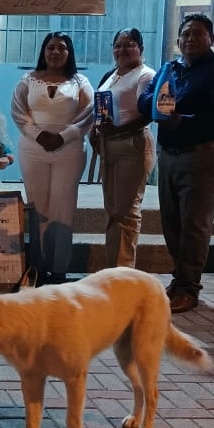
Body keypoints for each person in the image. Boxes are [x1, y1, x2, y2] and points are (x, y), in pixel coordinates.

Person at [137, 13, 214, 313]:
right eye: (185, 34)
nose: (190, 39)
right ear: (178, 40)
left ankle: (189, 287)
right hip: (169, 155)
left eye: (197, 33)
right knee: (171, 221)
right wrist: (157, 107)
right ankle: (179, 279)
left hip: (201, 155)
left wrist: (180, 119)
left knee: (194, 224)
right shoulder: (169, 68)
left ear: (211, 39)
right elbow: (145, 99)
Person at [11, 32, 94, 285]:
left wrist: (63, 136)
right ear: (43, 51)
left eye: (61, 48)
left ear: (69, 52)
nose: (55, 52)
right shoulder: (27, 80)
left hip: (69, 150)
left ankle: (59, 268)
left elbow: (88, 114)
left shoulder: (80, 82)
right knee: (38, 207)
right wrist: (39, 135)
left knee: (63, 206)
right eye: (50, 47)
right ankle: (38, 266)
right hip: (33, 149)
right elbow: (18, 111)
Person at [90, 28, 156, 267]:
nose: (122, 50)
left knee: (126, 212)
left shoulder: (145, 75)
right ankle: (113, 270)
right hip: (109, 146)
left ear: (141, 48)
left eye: (129, 44)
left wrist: (117, 131)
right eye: (118, 45)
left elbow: (147, 115)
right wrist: (94, 131)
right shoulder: (112, 74)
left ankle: (124, 273)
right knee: (113, 212)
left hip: (132, 145)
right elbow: (101, 107)